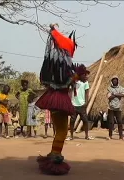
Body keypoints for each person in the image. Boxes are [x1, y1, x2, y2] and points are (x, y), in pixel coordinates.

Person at [35, 23, 78, 175]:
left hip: (52, 98)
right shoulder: (64, 63)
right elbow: (64, 83)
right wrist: (76, 76)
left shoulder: (51, 63)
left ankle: (54, 153)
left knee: (60, 130)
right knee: (62, 131)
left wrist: (54, 30)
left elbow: (46, 81)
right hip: (60, 99)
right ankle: (54, 156)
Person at [68, 64, 93, 141]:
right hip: (74, 104)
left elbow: (87, 92)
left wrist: (86, 102)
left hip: (82, 104)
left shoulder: (85, 83)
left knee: (85, 120)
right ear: (80, 75)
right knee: (72, 121)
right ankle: (71, 136)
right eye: (83, 74)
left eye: (85, 74)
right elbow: (70, 89)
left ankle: (86, 135)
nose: (85, 76)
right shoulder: (74, 82)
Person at [107, 76, 124, 140]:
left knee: (120, 122)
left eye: (116, 80)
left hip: (118, 107)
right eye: (113, 80)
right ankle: (110, 135)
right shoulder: (109, 88)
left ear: (117, 81)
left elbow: (123, 94)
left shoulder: (120, 88)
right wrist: (117, 94)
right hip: (111, 107)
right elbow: (109, 97)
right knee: (111, 122)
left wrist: (114, 94)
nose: (115, 81)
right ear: (112, 81)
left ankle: (121, 136)